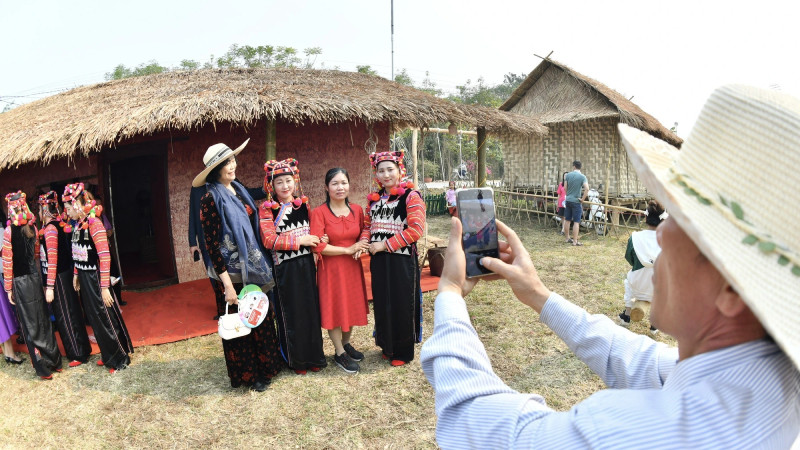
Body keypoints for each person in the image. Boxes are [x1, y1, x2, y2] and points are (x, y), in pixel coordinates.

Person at [420, 85, 800, 448]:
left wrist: (451, 292)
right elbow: (643, 362)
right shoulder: (768, 380)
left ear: (733, 288)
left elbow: (475, 421)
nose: (662, 232)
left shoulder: (633, 434)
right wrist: (537, 294)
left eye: (682, 220)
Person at [192, 139, 281, 392]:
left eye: (232, 160)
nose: (232, 165)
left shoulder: (237, 189)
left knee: (260, 318)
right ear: (215, 170)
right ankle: (249, 376)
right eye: (225, 163)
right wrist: (228, 287)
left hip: (252, 268)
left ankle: (267, 368)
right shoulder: (210, 199)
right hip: (231, 275)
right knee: (242, 326)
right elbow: (212, 246)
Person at [258, 158, 327, 375]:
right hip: (285, 270)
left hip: (306, 265)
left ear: (295, 181)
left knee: (310, 311)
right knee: (292, 314)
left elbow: (312, 233)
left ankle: (314, 356)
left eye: (289, 181)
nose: (285, 186)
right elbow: (269, 241)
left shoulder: (303, 204)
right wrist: (300, 242)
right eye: (279, 182)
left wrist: (318, 238)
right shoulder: (267, 209)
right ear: (271, 186)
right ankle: (296, 360)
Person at [63, 183, 133, 374]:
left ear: (78, 204)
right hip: (85, 279)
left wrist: (103, 287)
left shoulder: (95, 224)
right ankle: (107, 354)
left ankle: (119, 358)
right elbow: (76, 253)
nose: (67, 212)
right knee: (94, 318)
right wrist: (77, 275)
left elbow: (105, 256)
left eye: (69, 208)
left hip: (96, 278)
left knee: (106, 317)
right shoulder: (77, 225)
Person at [365, 150, 425, 366]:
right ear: (376, 174)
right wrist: (364, 243)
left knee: (401, 303)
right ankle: (385, 344)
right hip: (379, 261)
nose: (386, 174)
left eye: (390, 169)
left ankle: (402, 351)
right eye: (381, 170)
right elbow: (367, 227)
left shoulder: (411, 197)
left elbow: (415, 230)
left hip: (401, 260)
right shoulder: (373, 200)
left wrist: (384, 245)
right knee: (382, 302)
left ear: (401, 171)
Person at [310, 168, 371, 373]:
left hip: (352, 268)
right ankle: (338, 352)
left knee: (351, 306)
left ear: (349, 185)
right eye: (335, 183)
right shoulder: (319, 213)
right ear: (326, 187)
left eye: (344, 182)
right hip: (331, 270)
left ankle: (346, 344)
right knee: (335, 308)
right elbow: (317, 246)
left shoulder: (357, 210)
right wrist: (347, 249)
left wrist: (361, 244)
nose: (340, 187)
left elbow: (365, 231)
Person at [2, 191, 62, 379]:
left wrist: (8, 288)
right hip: (34, 279)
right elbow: (36, 255)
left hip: (20, 283)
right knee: (42, 319)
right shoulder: (33, 228)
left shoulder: (8, 231)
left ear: (11, 208)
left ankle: (42, 368)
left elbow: (8, 262)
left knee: (29, 325)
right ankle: (55, 361)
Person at [190, 181, 266, 321]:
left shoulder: (235, 184)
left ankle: (244, 307)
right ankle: (223, 309)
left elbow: (249, 193)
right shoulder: (198, 190)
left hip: (234, 242)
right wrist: (192, 241)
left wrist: (264, 189)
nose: (232, 166)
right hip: (207, 239)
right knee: (215, 274)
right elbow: (193, 213)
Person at [37, 191, 91, 367]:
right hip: (62, 275)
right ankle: (81, 349)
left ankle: (77, 352)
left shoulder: (51, 228)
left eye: (39, 209)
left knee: (66, 314)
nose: (38, 213)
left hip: (59, 277)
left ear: (45, 209)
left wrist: (50, 286)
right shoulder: (57, 225)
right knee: (71, 311)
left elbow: (52, 260)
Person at [617, 200, 667, 334]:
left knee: (628, 281)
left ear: (646, 217)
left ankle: (626, 315)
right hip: (657, 288)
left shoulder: (635, 238)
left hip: (637, 285)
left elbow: (630, 259)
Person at [0, 208, 23, 365]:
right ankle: (10, 353)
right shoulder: (2, 231)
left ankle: (7, 352)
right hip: (2, 273)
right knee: (2, 315)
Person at [563, 161, 589, 246]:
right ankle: (575, 241)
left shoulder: (568, 175)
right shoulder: (582, 177)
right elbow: (587, 189)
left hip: (568, 200)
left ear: (574, 166)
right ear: (580, 167)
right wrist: (582, 199)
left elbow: (565, 187)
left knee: (567, 220)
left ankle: (567, 238)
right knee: (576, 222)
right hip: (576, 201)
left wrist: (568, 195)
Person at [556, 171, 568, 236]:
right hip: (561, 202)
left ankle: (563, 230)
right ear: (563, 177)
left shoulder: (570, 184)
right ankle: (564, 229)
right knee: (562, 216)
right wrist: (558, 203)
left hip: (567, 202)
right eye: (564, 175)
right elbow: (559, 194)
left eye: (567, 175)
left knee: (566, 216)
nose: (565, 176)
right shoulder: (561, 184)